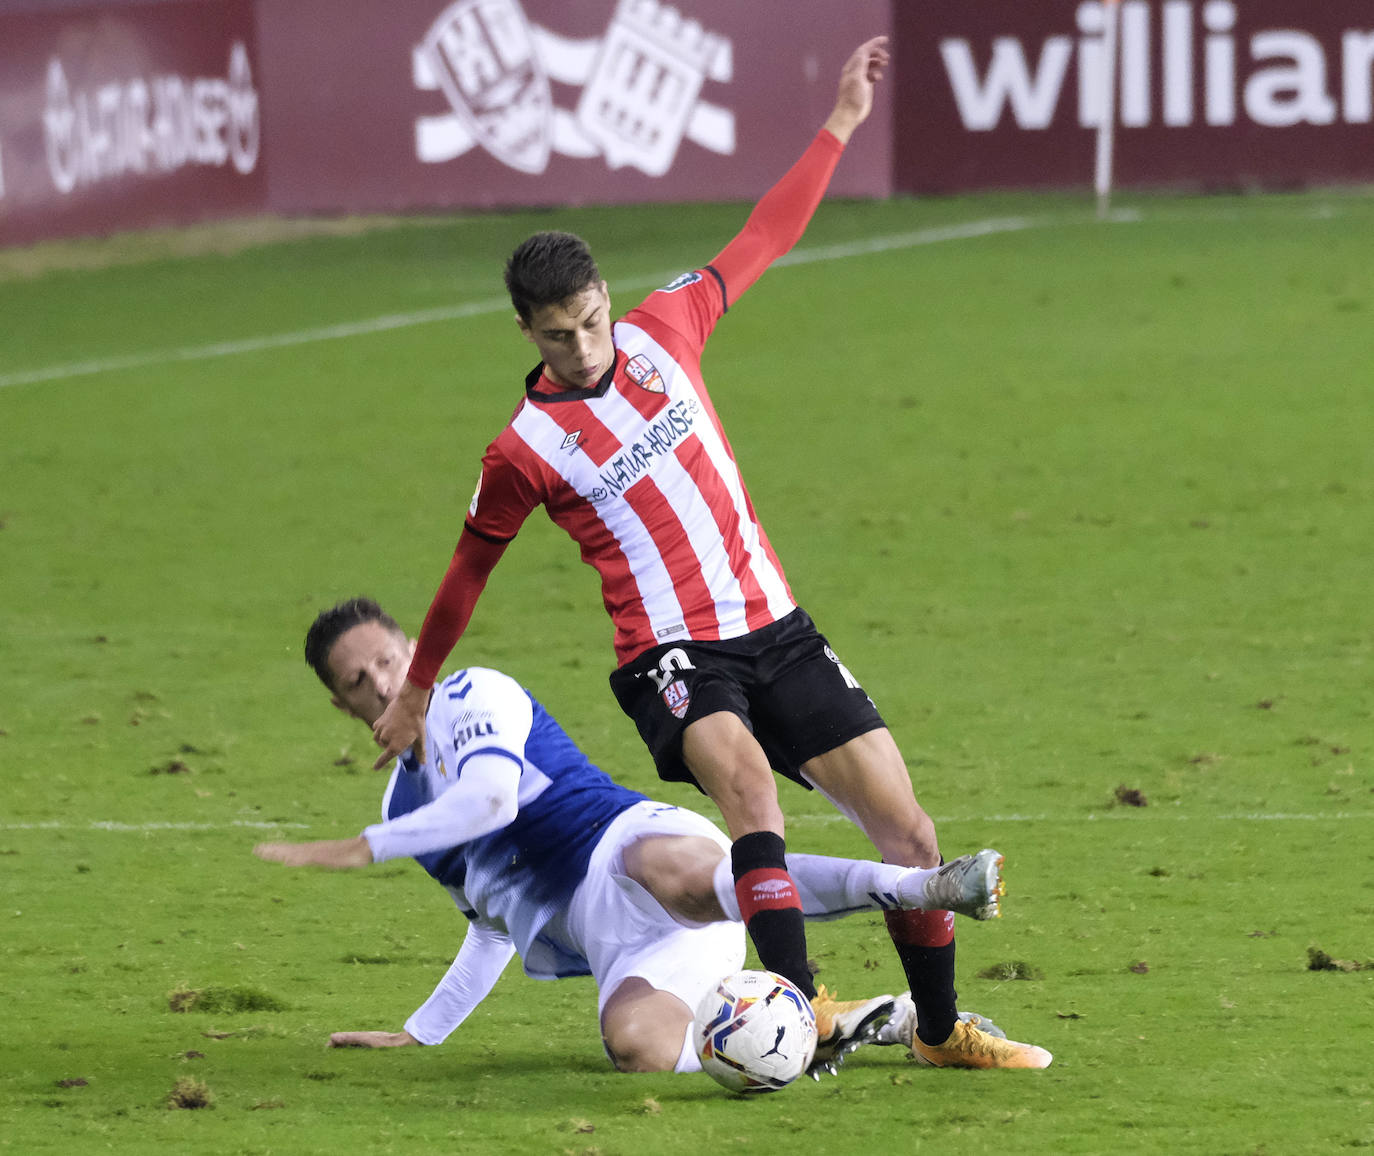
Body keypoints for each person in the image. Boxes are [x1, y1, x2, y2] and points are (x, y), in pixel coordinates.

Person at [371, 37, 1051, 1069]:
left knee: (909, 834)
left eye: (590, 321)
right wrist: (415, 687)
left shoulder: (665, 328)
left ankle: (943, 1032)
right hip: (671, 655)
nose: (585, 347)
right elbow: (468, 572)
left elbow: (764, 235)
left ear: (607, 297)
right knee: (752, 797)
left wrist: (842, 121)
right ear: (526, 330)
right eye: (558, 336)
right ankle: (804, 1006)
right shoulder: (523, 450)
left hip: (774, 624)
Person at [255, 598, 1022, 1074]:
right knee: (639, 1052)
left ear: (417, 653)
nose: (384, 686)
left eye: (389, 661)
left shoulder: (470, 695)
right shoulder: (405, 809)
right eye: (358, 682)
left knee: (679, 869)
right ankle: (846, 1026)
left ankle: (922, 886)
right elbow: (491, 926)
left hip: (630, 849)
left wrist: (366, 847)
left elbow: (488, 799)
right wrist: (422, 1033)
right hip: (625, 947)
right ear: (340, 703)